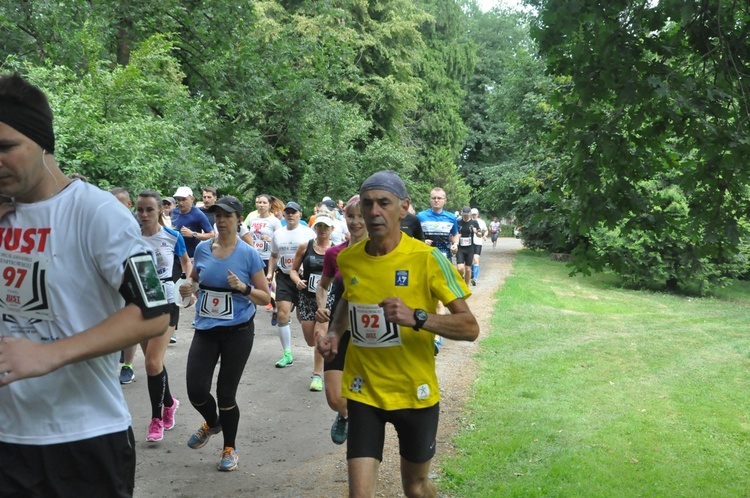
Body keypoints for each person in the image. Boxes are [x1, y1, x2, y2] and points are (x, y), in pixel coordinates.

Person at [0, 72, 170, 496]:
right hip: (7, 440)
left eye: (6, 147)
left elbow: (154, 311)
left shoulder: (97, 213)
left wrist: (49, 355)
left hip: (82, 442)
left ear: (43, 141)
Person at [317, 171, 479, 498]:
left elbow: (470, 327)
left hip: (414, 393)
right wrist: (334, 332)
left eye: (384, 203)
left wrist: (416, 316)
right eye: (367, 204)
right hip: (364, 393)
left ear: (403, 208)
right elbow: (350, 299)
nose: (374, 211)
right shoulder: (349, 260)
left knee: (416, 488)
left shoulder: (428, 258)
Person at [179, 196, 270, 472]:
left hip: (238, 331)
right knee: (196, 390)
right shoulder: (204, 249)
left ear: (238, 219)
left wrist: (243, 288)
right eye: (217, 216)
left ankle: (229, 447)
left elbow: (265, 296)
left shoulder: (248, 253)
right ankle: (213, 422)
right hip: (206, 329)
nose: (220, 221)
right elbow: (194, 281)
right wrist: (188, 289)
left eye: (227, 216)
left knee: (226, 393)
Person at [136, 189, 192, 443]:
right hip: (139, 304)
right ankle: (169, 402)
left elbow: (186, 261)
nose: (144, 214)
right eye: (140, 209)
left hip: (167, 302)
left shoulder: (172, 236)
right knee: (154, 363)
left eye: (149, 209)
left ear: (160, 209)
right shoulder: (130, 237)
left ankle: (156, 419)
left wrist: (187, 282)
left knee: (151, 362)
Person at [315, 195, 368, 445]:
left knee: (366, 394)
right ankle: (345, 414)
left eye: (361, 216)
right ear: (344, 219)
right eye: (351, 216)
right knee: (334, 397)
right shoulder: (335, 253)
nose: (356, 222)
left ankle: (363, 430)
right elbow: (322, 286)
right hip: (339, 331)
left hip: (369, 333)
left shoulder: (382, 254)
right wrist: (322, 307)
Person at [266, 201, 315, 367]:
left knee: (304, 318)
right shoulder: (278, 234)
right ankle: (287, 353)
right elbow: (273, 255)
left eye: (294, 212)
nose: (290, 215)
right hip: (285, 277)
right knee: (282, 314)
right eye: (287, 212)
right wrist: (269, 272)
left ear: (300, 214)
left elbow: (315, 253)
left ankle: (315, 349)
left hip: (303, 278)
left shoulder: (308, 233)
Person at [290, 210, 334, 391]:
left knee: (320, 336)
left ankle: (317, 375)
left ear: (332, 229)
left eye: (325, 226)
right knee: (310, 340)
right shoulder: (305, 246)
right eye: (319, 226)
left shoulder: (336, 250)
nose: (322, 229)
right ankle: (321, 355)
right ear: (315, 228)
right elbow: (293, 269)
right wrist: (297, 280)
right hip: (307, 299)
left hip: (327, 300)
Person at [417, 187, 459, 354]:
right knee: (424, 298)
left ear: (445, 200)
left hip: (443, 262)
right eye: (433, 198)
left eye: (439, 198)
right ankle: (424, 333)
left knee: (440, 300)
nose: (436, 200)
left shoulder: (450, 218)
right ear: (430, 199)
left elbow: (455, 234)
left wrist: (455, 244)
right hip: (423, 262)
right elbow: (411, 237)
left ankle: (436, 338)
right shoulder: (420, 217)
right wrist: (421, 242)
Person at [111, 187, 141, 385]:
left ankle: (128, 366)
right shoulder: (104, 223)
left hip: (132, 279)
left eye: (118, 203)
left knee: (131, 325)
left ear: (129, 204)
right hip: (111, 281)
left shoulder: (137, 224)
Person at [245, 194, 282, 316]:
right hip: (254, 256)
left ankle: (278, 308)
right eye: (259, 202)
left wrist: (270, 239)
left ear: (270, 205)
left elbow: (280, 240)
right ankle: (250, 312)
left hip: (268, 257)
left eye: (264, 203)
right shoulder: (252, 219)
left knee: (267, 285)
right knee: (252, 285)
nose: (261, 205)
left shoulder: (274, 221)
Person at [456, 206, 480, 285]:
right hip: (460, 248)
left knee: (468, 269)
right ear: (461, 213)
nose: (465, 216)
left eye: (467, 215)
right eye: (464, 214)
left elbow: (480, 234)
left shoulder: (474, 222)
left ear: (470, 214)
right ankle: (459, 283)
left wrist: (476, 232)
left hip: (470, 248)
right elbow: (453, 233)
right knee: (460, 268)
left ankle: (466, 287)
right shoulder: (458, 222)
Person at [470, 208, 488, 285]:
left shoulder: (481, 222)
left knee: (476, 259)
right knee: (469, 260)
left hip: (478, 243)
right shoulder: (468, 221)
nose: (474, 215)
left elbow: (486, 230)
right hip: (469, 243)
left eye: (475, 214)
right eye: (472, 214)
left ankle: (475, 278)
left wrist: (484, 236)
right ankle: (471, 272)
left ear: (478, 214)